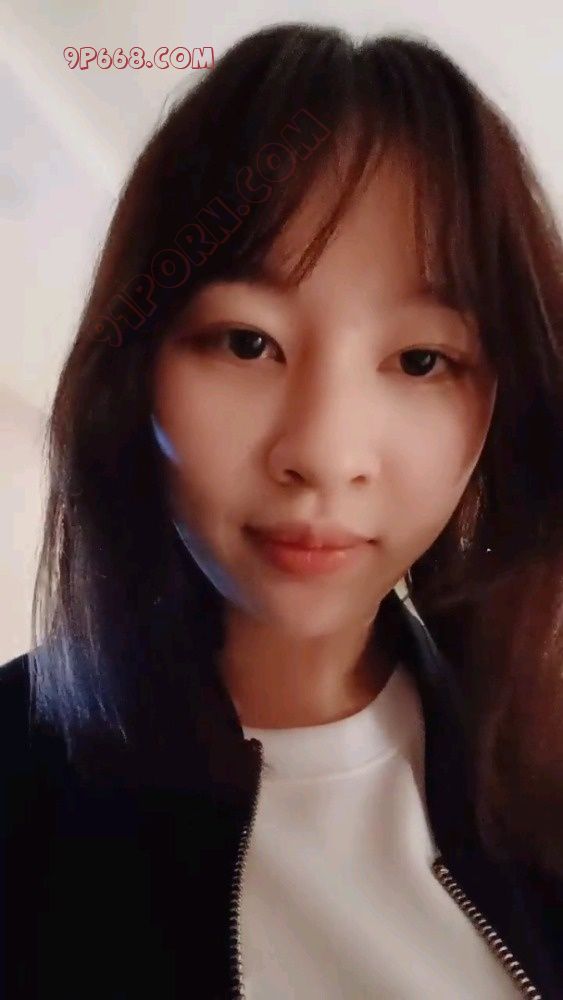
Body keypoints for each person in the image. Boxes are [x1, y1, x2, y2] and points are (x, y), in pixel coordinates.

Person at [1, 22, 562, 1000]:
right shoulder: (18, 787)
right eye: (245, 343)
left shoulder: (538, 766)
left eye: (420, 359)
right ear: (134, 369)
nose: (323, 454)